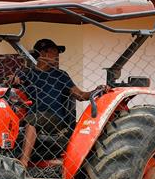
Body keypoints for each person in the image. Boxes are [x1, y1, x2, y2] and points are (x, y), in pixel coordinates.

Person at [16, 39, 108, 169]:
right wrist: (13, 80)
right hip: (30, 116)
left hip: (54, 119)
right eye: (54, 52)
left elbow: (81, 95)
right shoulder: (27, 74)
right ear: (42, 53)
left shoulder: (61, 75)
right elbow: (13, 84)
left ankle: (23, 162)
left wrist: (96, 90)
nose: (57, 56)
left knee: (33, 120)